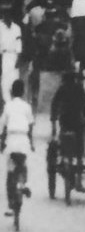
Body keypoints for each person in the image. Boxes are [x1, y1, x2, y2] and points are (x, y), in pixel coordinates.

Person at [50, 70, 85, 193]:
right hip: (77, 123)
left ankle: (62, 161)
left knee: (62, 147)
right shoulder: (79, 89)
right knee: (79, 154)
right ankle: (79, 182)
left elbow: (54, 105)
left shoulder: (62, 89)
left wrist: (53, 124)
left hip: (65, 122)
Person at [0, 80, 34, 213]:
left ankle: (10, 204)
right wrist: (31, 143)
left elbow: (2, 127)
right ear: (23, 92)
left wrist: (2, 143)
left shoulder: (8, 106)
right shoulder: (27, 106)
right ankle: (25, 184)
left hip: (12, 139)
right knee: (24, 165)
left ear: (12, 92)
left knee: (10, 173)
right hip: (23, 139)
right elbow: (30, 125)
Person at [0, 11, 22, 110]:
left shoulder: (16, 28)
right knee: (5, 81)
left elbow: (19, 44)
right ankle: (8, 104)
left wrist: (18, 59)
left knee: (14, 80)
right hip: (4, 56)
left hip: (14, 55)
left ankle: (15, 104)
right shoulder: (1, 27)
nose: (5, 20)